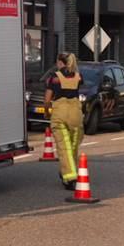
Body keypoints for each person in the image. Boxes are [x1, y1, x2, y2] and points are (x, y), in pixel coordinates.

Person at [44, 53, 85, 189]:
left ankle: (70, 178)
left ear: (60, 62)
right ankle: (66, 171)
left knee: (64, 146)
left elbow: (48, 98)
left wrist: (46, 111)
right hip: (76, 113)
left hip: (60, 113)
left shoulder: (55, 77)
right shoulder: (78, 76)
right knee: (73, 146)